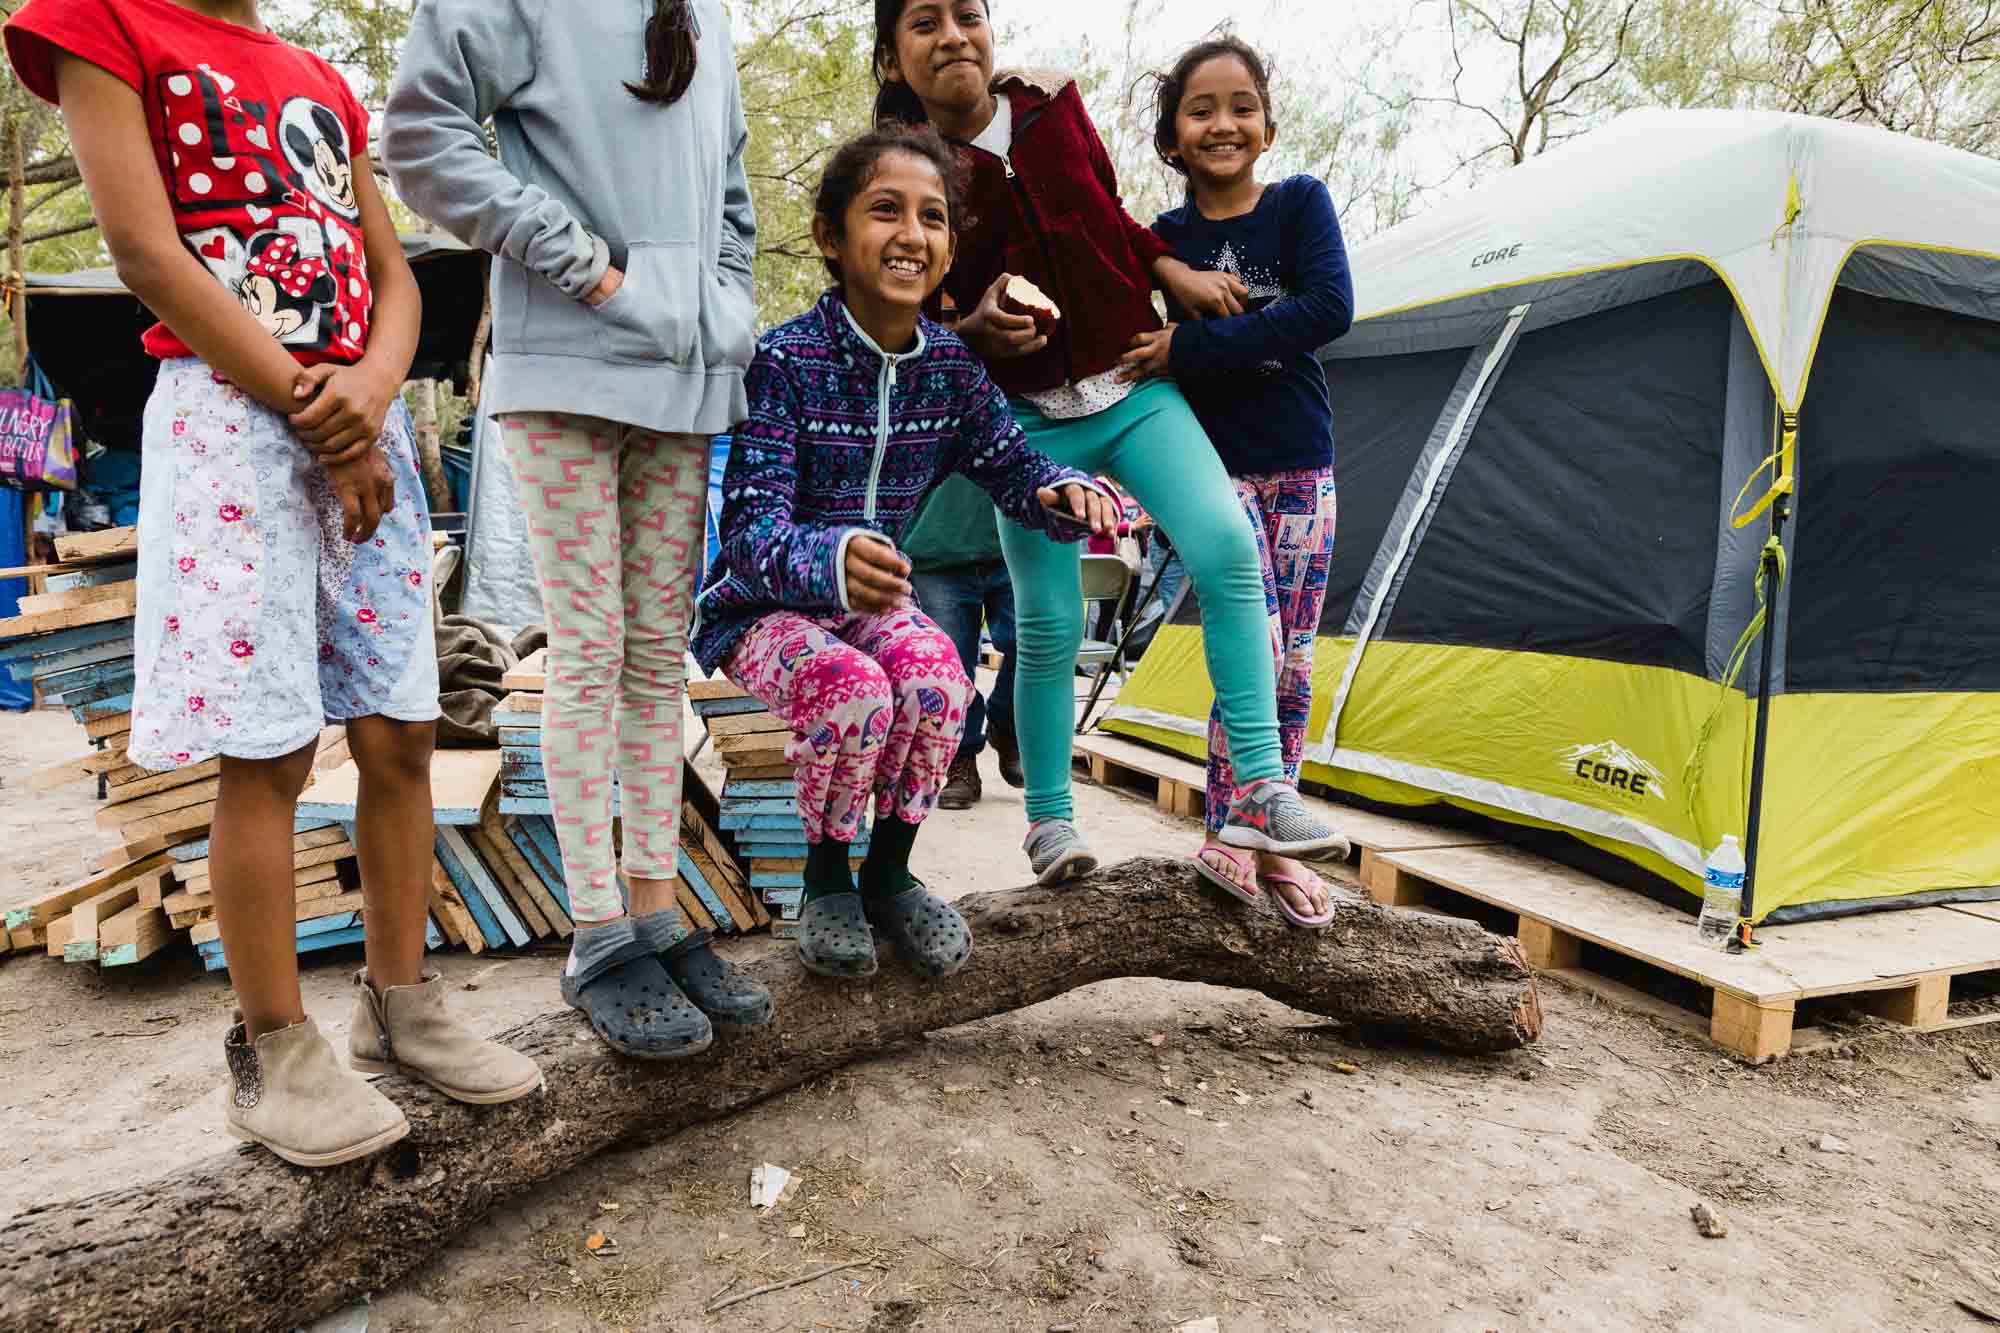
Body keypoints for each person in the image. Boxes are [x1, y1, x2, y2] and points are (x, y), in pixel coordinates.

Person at [2, 0, 542, 1167]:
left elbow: (393, 275)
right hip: (231, 425)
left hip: (367, 423)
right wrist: (321, 417)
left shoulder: (316, 76)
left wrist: (377, 393)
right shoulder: (98, 23)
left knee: (402, 728)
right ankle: (275, 1045)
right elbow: (147, 252)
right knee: (270, 748)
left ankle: (399, 1003)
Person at [871, 0, 1350, 889]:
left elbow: (1117, 218)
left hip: (1134, 386)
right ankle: (1051, 824)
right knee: (1047, 625)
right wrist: (971, 328)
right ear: (895, 58)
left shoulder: (1052, 104)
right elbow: (907, 305)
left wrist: (1171, 271)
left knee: (1229, 551)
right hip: (1025, 422)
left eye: (966, 14)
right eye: (924, 23)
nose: (953, 36)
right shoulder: (910, 168)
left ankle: (1258, 787)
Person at [384, 0, 772, 1059]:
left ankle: (655, 913)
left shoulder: (704, 16)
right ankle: (595, 931)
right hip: (561, 367)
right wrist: (594, 270)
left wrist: (722, 305)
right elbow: (420, 137)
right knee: (588, 648)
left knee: (655, 655)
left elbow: (729, 192)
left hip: (685, 378)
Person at [692, 123, 1115, 980]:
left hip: (870, 608)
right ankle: (825, 883)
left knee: (937, 678)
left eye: (932, 218)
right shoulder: (783, 361)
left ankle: (889, 871)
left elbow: (1012, 463)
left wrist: (1059, 495)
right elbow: (749, 526)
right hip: (759, 609)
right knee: (854, 690)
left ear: (951, 248)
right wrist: (833, 555)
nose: (910, 235)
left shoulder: (953, 368)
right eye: (885, 210)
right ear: (830, 235)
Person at [1134, 37, 1355, 925]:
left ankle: (1264, 834)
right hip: (1205, 470)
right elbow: (1127, 332)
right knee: (1249, 650)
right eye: (1200, 109)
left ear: (1266, 123)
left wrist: (1192, 343)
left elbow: (1326, 310)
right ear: (1173, 136)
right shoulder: (1163, 241)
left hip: (1300, 463)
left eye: (1240, 106)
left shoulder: (1299, 205)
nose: (1222, 123)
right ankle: (1233, 825)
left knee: (1292, 660)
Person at [901, 474, 1023, 808]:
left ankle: (1007, 722)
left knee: (1032, 643)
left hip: (1016, 541)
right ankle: (962, 760)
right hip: (935, 549)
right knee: (951, 668)